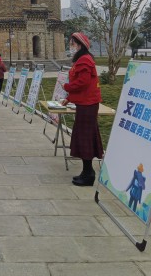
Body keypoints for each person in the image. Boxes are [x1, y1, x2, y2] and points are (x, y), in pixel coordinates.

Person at [62, 32, 103, 186]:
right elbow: (81, 83)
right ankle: (86, 171)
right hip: (85, 103)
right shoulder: (82, 59)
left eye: (72, 43)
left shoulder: (85, 60)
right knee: (83, 136)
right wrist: (69, 98)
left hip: (88, 104)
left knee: (85, 137)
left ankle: (89, 174)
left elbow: (83, 82)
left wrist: (67, 87)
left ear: (80, 45)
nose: (71, 46)